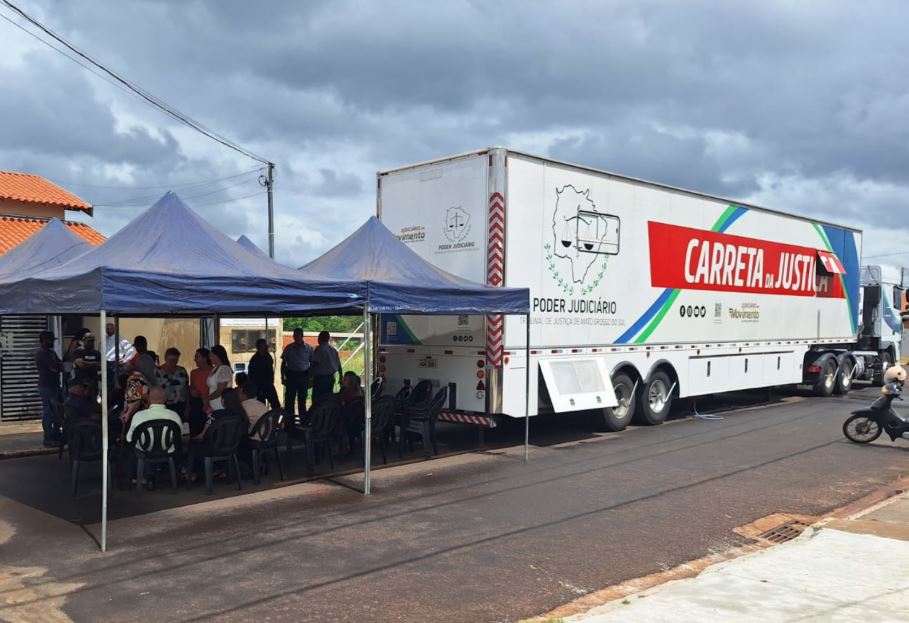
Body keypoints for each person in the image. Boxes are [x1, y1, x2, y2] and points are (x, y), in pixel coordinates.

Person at [34, 330, 63, 447]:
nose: (52, 342)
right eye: (50, 340)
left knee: (57, 412)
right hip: (46, 386)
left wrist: (60, 366)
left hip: (54, 385)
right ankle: (48, 438)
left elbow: (60, 363)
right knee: (49, 412)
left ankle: (56, 434)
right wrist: (59, 366)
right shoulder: (42, 353)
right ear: (43, 341)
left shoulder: (51, 352)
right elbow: (55, 367)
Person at [281, 328, 312, 423]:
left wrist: (311, 379)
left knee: (302, 400)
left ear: (302, 336)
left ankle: (303, 423)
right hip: (291, 375)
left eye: (297, 336)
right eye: (294, 336)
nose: (295, 337)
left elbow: (312, 364)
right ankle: (289, 423)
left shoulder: (309, 348)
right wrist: (282, 377)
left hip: (303, 376)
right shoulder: (289, 348)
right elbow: (283, 363)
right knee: (289, 400)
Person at [120, 353, 158, 424]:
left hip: (137, 417)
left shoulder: (136, 378)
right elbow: (136, 401)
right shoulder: (141, 379)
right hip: (142, 416)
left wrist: (127, 414)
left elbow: (135, 401)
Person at [310, 331, 342, 405]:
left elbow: (315, 364)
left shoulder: (319, 349)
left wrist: (311, 377)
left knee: (317, 399)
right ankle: (326, 414)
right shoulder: (333, 350)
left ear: (320, 338)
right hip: (330, 378)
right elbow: (339, 365)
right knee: (327, 398)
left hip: (320, 379)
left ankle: (317, 415)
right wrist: (340, 377)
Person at [248, 338, 280, 410]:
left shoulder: (268, 357)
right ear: (259, 347)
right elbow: (251, 374)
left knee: (276, 405)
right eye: (263, 346)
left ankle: (274, 420)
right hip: (259, 385)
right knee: (261, 405)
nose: (266, 347)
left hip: (268, 384)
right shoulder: (255, 359)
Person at [188, 348, 212, 436]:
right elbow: (192, 387)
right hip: (196, 404)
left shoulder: (213, 372)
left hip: (210, 404)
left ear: (205, 358)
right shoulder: (194, 372)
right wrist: (192, 391)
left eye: (197, 357)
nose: (195, 360)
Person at [206, 345, 233, 412]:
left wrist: (206, 399)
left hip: (220, 404)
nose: (210, 358)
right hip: (214, 405)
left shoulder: (224, 369)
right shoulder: (215, 369)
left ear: (217, 356)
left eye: (211, 356)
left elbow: (219, 391)